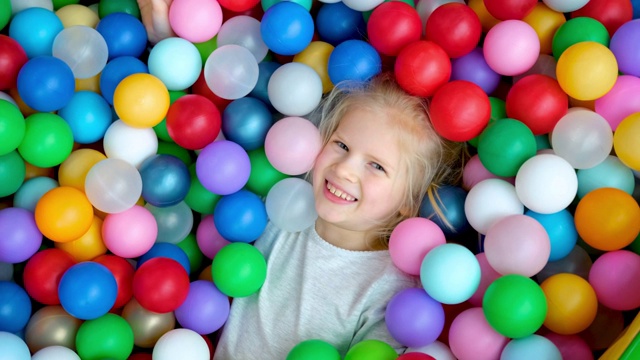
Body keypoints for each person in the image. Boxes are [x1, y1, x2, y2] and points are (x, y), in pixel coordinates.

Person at [137, 3, 467, 359]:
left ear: (408, 199)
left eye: (376, 166)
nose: (345, 169)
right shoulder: (279, 210)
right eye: (341, 145)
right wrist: (170, 41)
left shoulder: (393, 290)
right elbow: (211, 151)